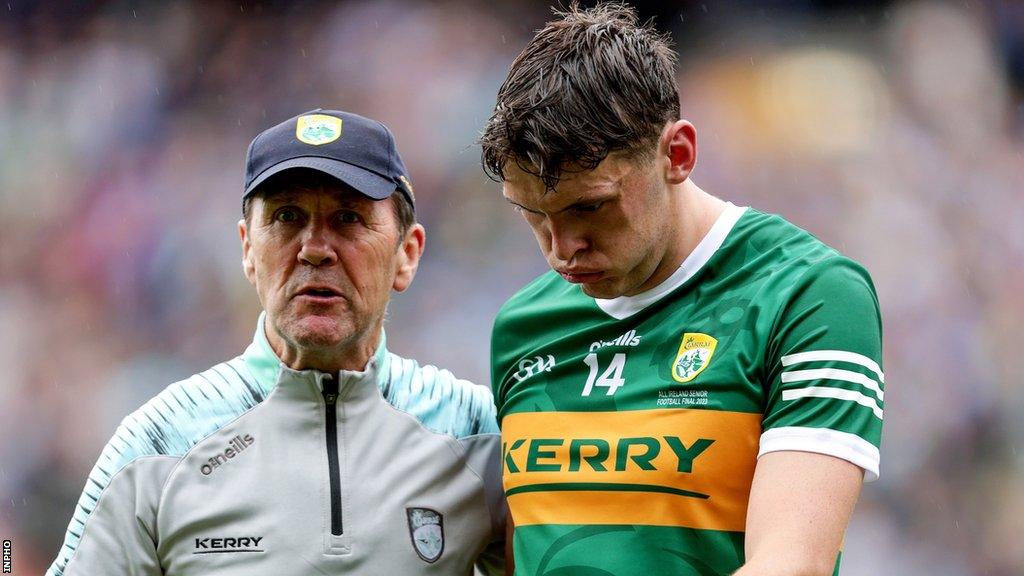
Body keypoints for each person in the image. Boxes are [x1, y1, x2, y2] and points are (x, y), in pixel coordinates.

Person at [479, 4, 883, 576]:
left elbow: (793, 564)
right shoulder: (522, 326)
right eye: (533, 215)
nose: (561, 248)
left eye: (589, 207)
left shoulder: (808, 293)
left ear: (678, 155)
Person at [48, 109, 505, 575]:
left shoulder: (480, 434)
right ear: (248, 249)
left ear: (407, 254)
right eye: (287, 217)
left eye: (348, 218)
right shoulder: (157, 446)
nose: (314, 248)